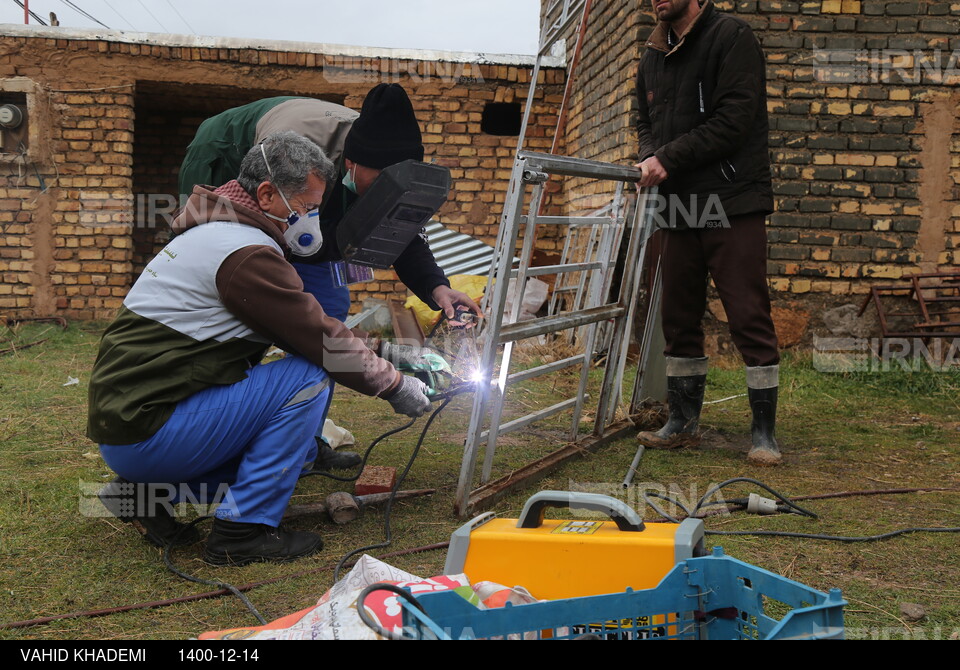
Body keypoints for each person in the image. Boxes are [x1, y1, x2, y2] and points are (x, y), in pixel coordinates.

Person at [89, 131, 433, 565]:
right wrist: (395, 385)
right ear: (268, 195)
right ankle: (241, 531)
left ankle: (138, 495)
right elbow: (320, 341)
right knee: (308, 375)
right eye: (307, 207)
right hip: (148, 430)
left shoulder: (217, 233)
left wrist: (387, 351)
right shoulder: (245, 253)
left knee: (302, 452)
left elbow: (303, 324)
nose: (311, 219)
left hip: (128, 425)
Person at [179, 85, 479, 468]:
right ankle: (220, 435)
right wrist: (390, 382)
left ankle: (303, 443)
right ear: (351, 162)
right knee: (252, 310)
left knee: (328, 315)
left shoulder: (395, 173)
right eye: (379, 182)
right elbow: (275, 228)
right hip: (226, 154)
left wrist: (439, 289)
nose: (386, 190)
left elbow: (402, 235)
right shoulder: (292, 158)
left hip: (311, 194)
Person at [633, 0, 781, 465]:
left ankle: (763, 433)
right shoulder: (652, 55)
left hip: (731, 197)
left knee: (746, 311)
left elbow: (734, 119)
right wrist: (650, 155)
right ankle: (682, 421)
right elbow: (644, 122)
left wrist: (666, 159)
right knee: (678, 315)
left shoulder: (731, 37)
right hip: (678, 201)